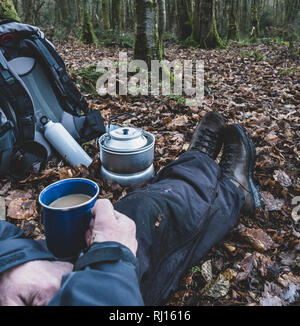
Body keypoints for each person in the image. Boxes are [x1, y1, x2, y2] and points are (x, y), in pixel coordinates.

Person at [0, 112, 261, 306]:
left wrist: (13, 264)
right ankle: (226, 185)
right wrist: (113, 258)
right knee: (154, 213)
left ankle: (203, 168)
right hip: (106, 287)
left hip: (45, 262)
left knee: (141, 206)